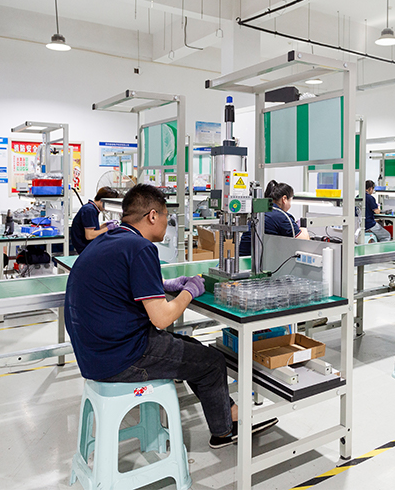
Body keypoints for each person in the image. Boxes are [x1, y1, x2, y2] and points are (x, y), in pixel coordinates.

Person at [64, 184, 277, 449]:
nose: (168, 223)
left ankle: (229, 412)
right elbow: (162, 319)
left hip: (93, 353)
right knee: (211, 362)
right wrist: (189, 291)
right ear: (153, 216)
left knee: (194, 347)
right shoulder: (141, 247)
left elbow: (122, 282)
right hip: (121, 357)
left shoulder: (110, 239)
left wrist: (164, 285)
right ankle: (224, 431)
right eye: (167, 216)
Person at [239, 180, 309, 257]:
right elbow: (304, 242)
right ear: (284, 199)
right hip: (257, 261)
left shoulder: (260, 211)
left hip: (243, 259)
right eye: (290, 200)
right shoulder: (281, 216)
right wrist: (303, 227)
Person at [69, 186, 121, 254]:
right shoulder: (90, 210)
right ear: (103, 201)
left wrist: (105, 225)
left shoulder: (91, 208)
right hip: (85, 248)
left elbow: (93, 229)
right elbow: (89, 235)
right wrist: (108, 228)